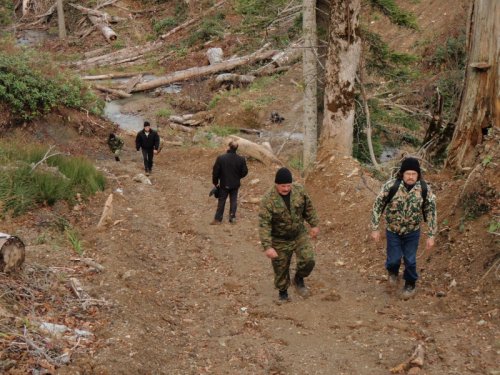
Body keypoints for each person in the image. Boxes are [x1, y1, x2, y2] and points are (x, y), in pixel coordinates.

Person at [370, 157, 437, 299]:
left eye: (413, 174)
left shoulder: (424, 189)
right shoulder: (391, 186)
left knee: (410, 260)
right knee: (394, 259)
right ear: (402, 174)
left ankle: (410, 284)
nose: (411, 177)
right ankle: (393, 272)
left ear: (418, 174)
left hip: (412, 232)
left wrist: (431, 235)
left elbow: (431, 211)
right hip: (392, 230)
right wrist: (375, 228)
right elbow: (377, 206)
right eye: (408, 173)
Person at [259, 167, 320, 302]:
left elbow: (308, 208)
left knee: (308, 260)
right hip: (279, 239)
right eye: (282, 186)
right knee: (281, 268)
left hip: (299, 234)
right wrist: (267, 246)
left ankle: (298, 278)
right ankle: (283, 292)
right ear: (276, 184)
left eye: (288, 185)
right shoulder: (268, 200)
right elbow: (264, 224)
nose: (286, 189)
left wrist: (314, 224)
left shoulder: (299, 191)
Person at [211, 140, 248, 225]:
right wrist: (238, 177)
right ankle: (232, 218)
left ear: (229, 147)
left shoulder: (221, 158)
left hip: (224, 183)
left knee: (222, 200)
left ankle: (217, 219)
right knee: (234, 200)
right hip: (235, 183)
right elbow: (245, 171)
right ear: (236, 148)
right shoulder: (241, 159)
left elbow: (215, 172)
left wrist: (215, 182)